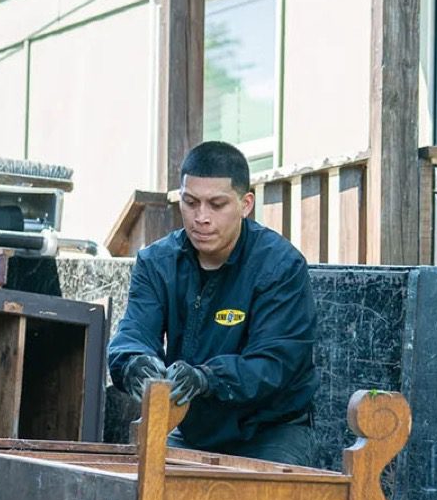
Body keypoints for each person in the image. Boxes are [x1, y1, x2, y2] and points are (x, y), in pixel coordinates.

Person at [106, 139, 318, 465]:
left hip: (271, 431)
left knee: (261, 498)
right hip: (190, 428)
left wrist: (207, 378)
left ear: (246, 204)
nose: (201, 217)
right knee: (141, 483)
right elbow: (134, 332)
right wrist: (132, 362)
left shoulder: (281, 266)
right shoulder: (156, 262)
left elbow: (274, 364)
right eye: (190, 203)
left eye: (216, 205)